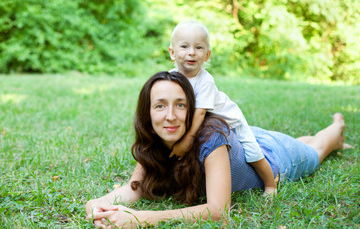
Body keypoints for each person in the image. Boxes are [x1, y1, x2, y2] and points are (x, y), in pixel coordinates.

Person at [85, 71, 350, 228]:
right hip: (245, 140)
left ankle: (336, 129)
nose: (170, 116)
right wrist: (98, 204)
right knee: (303, 142)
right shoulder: (154, 141)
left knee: (318, 150)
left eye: (180, 105)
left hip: (274, 156)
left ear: (192, 109)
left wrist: (141, 219)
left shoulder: (209, 138)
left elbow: (218, 211)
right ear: (147, 113)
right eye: (160, 105)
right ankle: (306, 138)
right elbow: (134, 188)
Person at [168, 20, 277, 196]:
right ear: (172, 53)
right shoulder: (171, 77)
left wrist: (187, 141)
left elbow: (200, 113)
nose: (191, 53)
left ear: (207, 55)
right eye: (184, 47)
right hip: (207, 122)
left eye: (198, 48)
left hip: (231, 120)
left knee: (253, 152)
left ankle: (271, 184)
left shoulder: (205, 81)